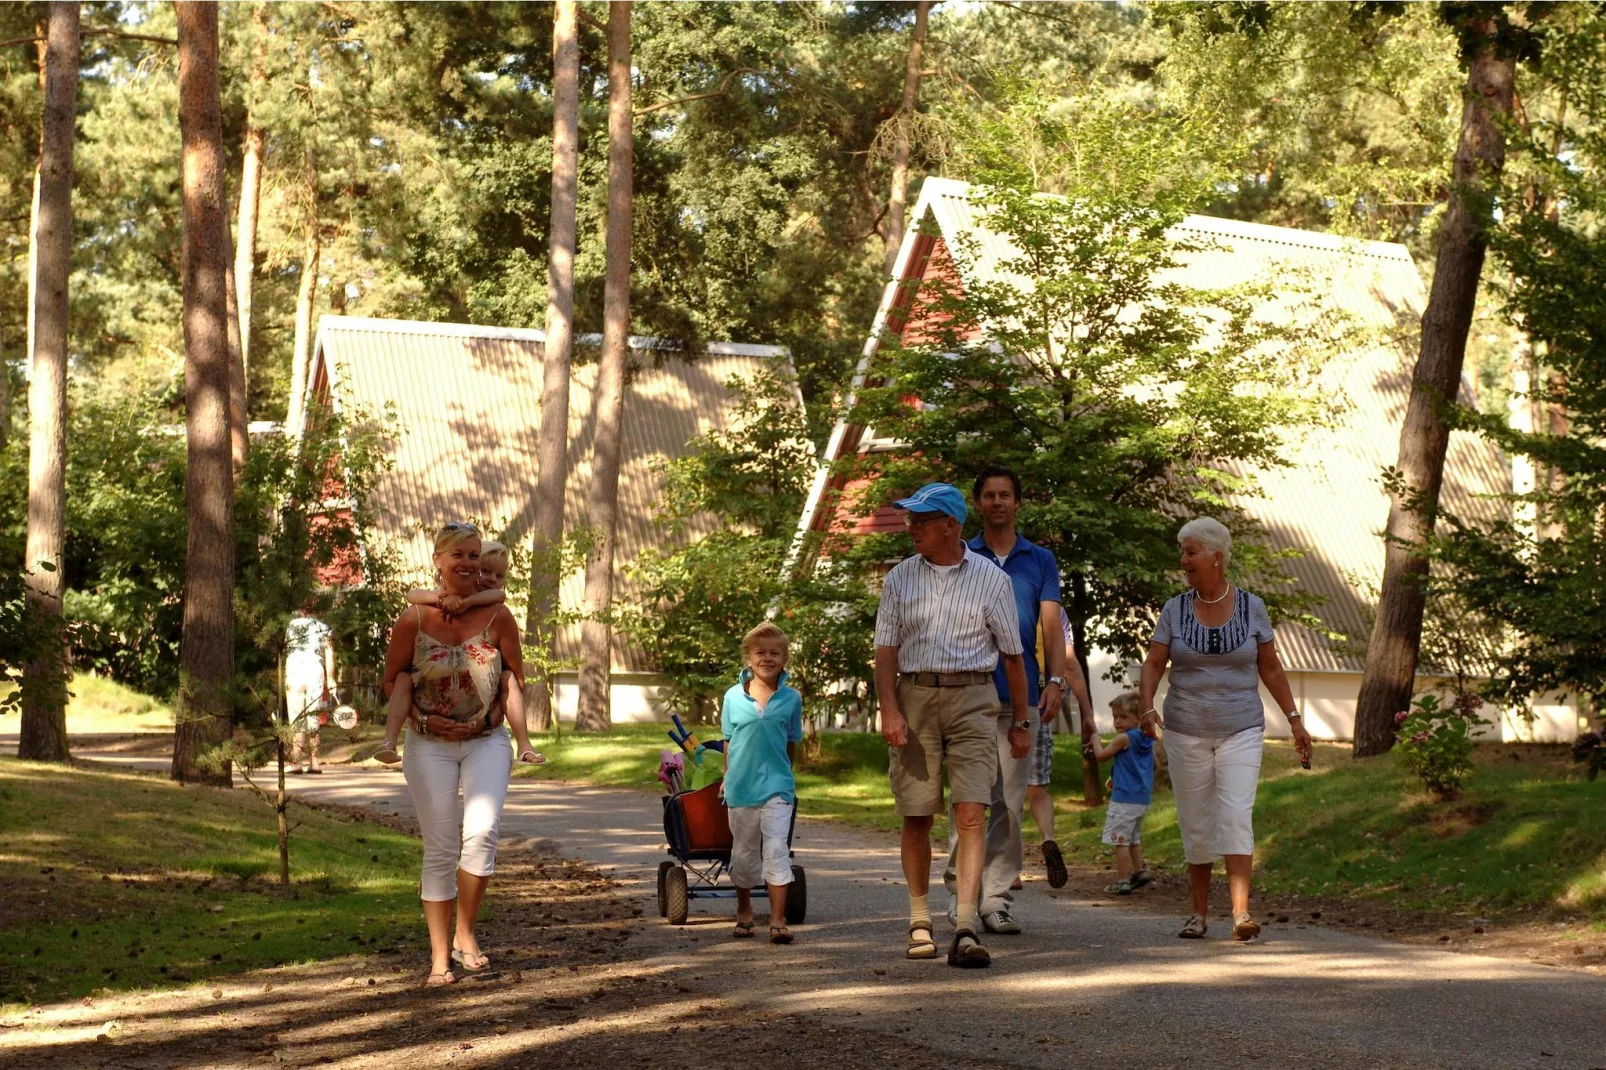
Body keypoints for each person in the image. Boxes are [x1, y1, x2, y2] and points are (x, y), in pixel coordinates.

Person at [875, 482, 1029, 969]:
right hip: (915, 693)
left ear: (951, 525)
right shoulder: (900, 578)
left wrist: (1020, 722)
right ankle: (920, 920)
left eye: (921, 520)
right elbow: (885, 652)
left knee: (971, 813)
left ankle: (964, 924)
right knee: (917, 812)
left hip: (973, 697)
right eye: (910, 519)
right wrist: (890, 710)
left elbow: (1013, 658)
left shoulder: (990, 579)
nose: (911, 527)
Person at [1138, 516, 1313, 941]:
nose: (1183, 560)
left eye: (1190, 552)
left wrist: (1294, 719)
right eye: (1183, 552)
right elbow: (1154, 663)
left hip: (1241, 728)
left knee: (1236, 816)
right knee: (1196, 823)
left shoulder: (1252, 607)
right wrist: (1146, 708)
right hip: (1184, 730)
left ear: (1217, 557)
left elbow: (1270, 666)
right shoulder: (1174, 610)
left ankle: (1240, 914)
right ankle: (1197, 915)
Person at [942, 467, 1091, 932]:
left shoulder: (1040, 559)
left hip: (1020, 694)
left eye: (1006, 494)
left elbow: (1051, 625)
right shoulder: (963, 555)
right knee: (968, 798)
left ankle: (996, 899)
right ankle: (960, 896)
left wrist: (1054, 682)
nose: (998, 502)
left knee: (1008, 799)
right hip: (968, 692)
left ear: (1018, 503)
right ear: (978, 503)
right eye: (989, 495)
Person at [381, 522, 529, 985]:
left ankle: (466, 932)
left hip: (486, 740)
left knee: (482, 834)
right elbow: (392, 681)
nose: (466, 563)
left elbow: (514, 679)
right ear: (438, 562)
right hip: (429, 745)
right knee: (441, 847)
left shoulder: (498, 617)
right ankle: (439, 958)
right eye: (457, 556)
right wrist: (421, 722)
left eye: (472, 554)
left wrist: (496, 721)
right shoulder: (413, 619)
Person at [377, 540, 541, 767]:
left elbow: (498, 597)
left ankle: (524, 744)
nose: (492, 579)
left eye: (499, 575)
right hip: (428, 737)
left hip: (483, 734)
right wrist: (442, 599)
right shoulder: (426, 608)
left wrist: (465, 602)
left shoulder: (496, 609)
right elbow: (412, 595)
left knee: (509, 678)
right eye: (485, 571)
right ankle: (389, 742)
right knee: (403, 679)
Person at [721, 622, 804, 945]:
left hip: (778, 787)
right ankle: (744, 911)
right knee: (743, 853)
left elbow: (791, 743)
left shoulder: (791, 699)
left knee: (776, 849)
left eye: (775, 653)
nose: (767, 658)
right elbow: (729, 741)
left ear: (784, 660)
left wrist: (786, 777)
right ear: (748, 658)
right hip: (741, 787)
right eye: (760, 653)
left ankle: (778, 919)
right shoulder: (732, 697)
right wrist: (727, 777)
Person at [1024, 612, 1096, 889]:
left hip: (1002, 704)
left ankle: (1006, 869)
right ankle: (1047, 838)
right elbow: (1070, 664)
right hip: (1040, 707)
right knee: (1037, 788)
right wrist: (1087, 714)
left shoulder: (994, 591)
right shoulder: (1054, 614)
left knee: (1001, 792)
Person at [1088, 690, 1154, 895]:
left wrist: (1095, 739)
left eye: (1123, 717)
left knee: (1120, 841)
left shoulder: (1123, 739)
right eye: (1115, 716)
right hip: (1142, 798)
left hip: (1124, 799)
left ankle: (1123, 879)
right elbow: (1156, 765)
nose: (1117, 721)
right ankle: (1139, 871)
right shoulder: (1147, 739)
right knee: (1134, 838)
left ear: (1138, 718)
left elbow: (1100, 756)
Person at [284, 604, 335, 775]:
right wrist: (331, 679)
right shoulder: (323, 628)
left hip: (294, 670)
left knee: (296, 716)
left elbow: (285, 648)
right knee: (313, 716)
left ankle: (296, 762)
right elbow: (329, 654)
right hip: (315, 670)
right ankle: (315, 763)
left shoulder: (291, 625)